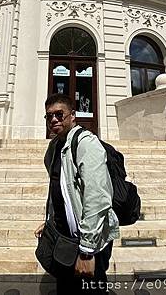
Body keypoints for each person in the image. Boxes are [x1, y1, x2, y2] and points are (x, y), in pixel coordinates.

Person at [34, 93, 119, 294]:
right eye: (49, 116)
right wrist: (50, 219)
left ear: (73, 115)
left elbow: (97, 198)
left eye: (59, 114)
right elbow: (60, 189)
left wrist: (87, 251)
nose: (54, 119)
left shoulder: (86, 143)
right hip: (65, 239)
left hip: (88, 242)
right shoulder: (55, 146)